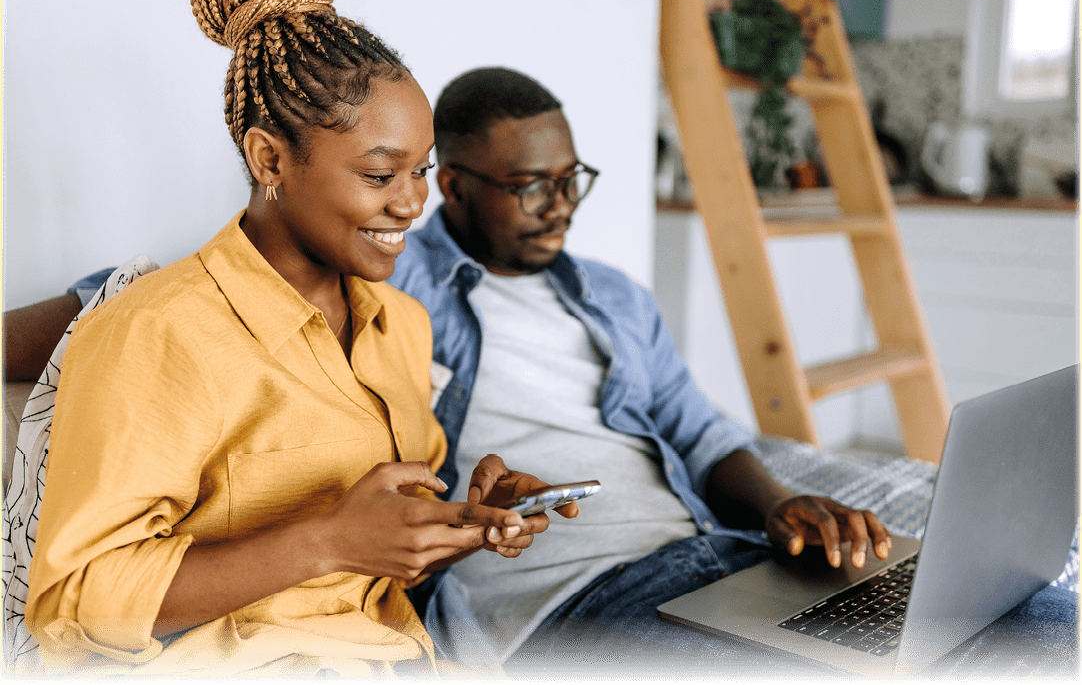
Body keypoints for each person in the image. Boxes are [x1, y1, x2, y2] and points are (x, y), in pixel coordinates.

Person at [385, 67, 1080, 677]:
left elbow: (699, 430)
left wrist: (779, 504)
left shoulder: (614, 296)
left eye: (571, 179)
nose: (561, 204)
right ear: (453, 186)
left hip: (723, 558)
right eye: (532, 186)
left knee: (1045, 628)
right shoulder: (390, 286)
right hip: (572, 598)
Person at [20, 0, 568, 678]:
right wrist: (327, 541)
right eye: (380, 175)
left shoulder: (400, 326)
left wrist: (469, 520)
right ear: (269, 159)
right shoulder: (157, 331)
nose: (412, 203)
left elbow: (376, 561)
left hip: (388, 660)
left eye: (422, 170)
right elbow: (76, 599)